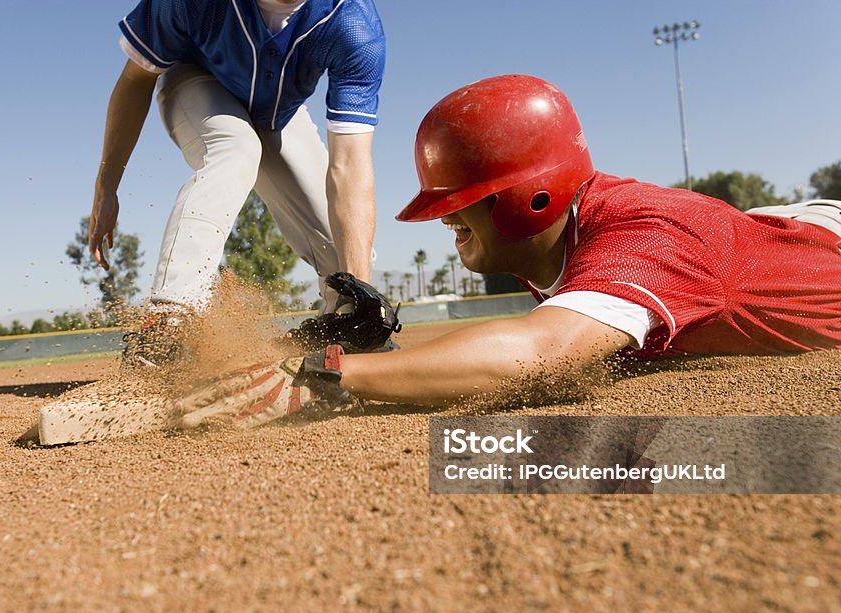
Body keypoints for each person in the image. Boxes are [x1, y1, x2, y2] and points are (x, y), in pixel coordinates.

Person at [169, 74, 841, 429]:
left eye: (461, 203)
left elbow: (535, 350)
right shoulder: (572, 238)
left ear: (533, 198)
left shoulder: (641, 240)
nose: (445, 221)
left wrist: (318, 374)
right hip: (767, 232)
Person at [89, 0, 386, 366]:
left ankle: (336, 332)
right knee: (235, 148)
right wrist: (107, 183)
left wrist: (360, 296)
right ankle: (168, 324)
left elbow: (350, 163)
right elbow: (136, 79)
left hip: (278, 112)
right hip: (196, 81)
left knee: (347, 255)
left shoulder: (352, 21)